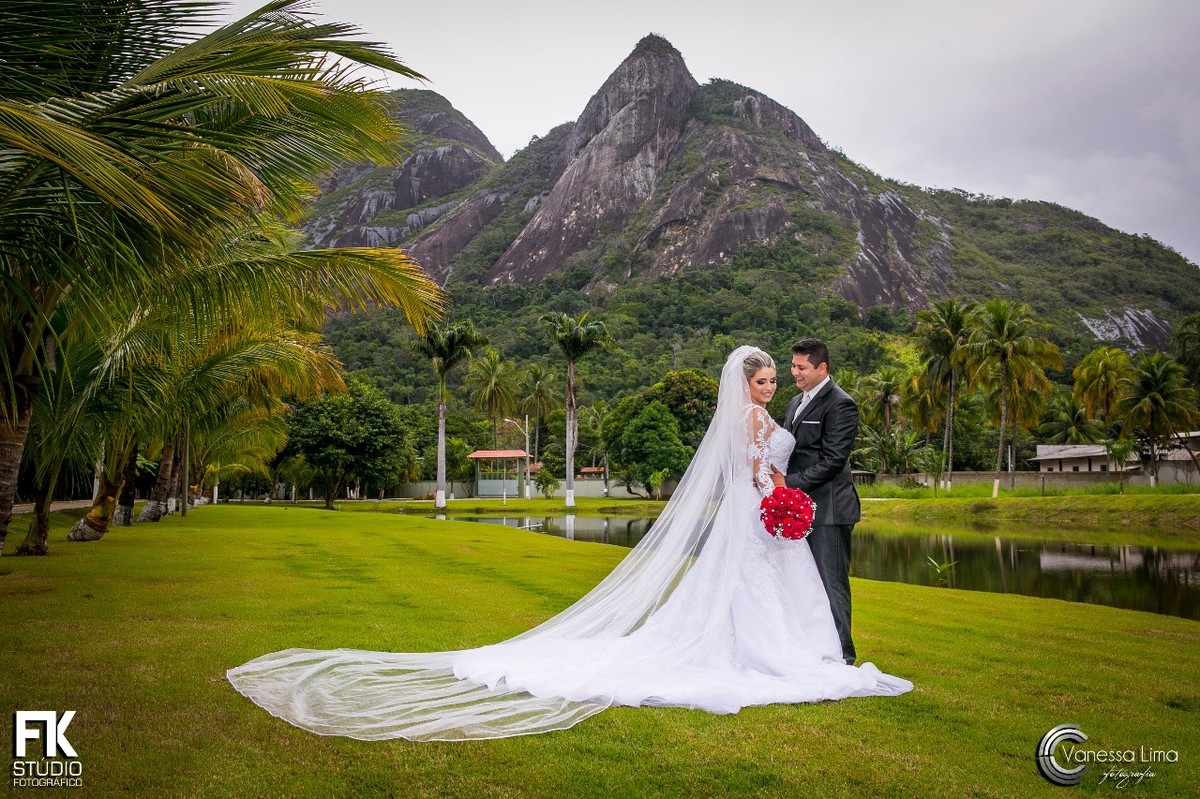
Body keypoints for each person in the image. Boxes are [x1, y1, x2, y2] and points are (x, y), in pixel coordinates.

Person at [227, 346, 910, 741]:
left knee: (760, 584)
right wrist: (783, 493)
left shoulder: (770, 412)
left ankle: (797, 650)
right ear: (750, 381)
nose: (776, 382)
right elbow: (765, 466)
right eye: (768, 377)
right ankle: (786, 655)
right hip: (763, 506)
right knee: (754, 584)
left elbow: (783, 463)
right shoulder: (757, 417)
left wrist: (783, 492)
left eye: (780, 375)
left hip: (763, 510)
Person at [772, 338, 860, 664]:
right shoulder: (795, 402)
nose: (794, 372)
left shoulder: (841, 404)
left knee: (831, 583)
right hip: (799, 510)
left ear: (821, 367)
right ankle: (815, 651)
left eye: (801, 367)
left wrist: (788, 484)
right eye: (793, 366)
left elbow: (834, 460)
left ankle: (845, 657)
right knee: (805, 584)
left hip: (831, 509)